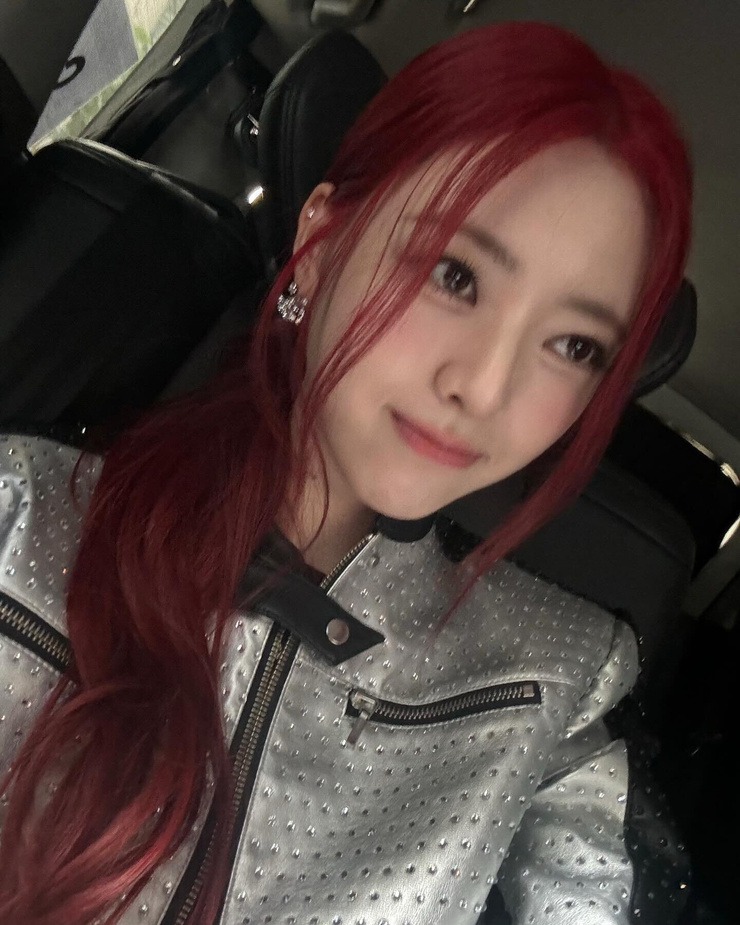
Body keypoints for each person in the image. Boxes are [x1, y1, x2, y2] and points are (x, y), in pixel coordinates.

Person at [0, 20, 691, 925]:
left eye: (573, 345)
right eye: (454, 275)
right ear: (322, 240)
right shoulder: (21, 516)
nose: (483, 387)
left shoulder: (553, 694)